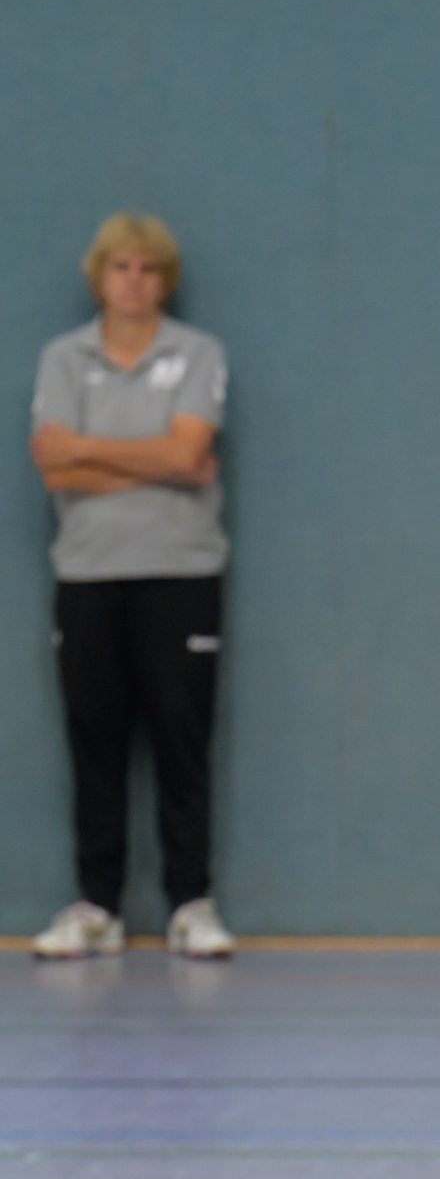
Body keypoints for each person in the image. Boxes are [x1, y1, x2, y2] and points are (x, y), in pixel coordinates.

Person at [31, 214, 234, 961]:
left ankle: (190, 905)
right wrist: (160, 464)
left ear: (165, 282)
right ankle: (98, 907)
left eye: (148, 270)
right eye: (121, 268)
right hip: (87, 573)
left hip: (181, 572)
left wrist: (88, 451)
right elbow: (53, 467)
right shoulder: (62, 358)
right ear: (100, 278)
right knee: (95, 740)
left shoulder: (199, 353)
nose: (134, 283)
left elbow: (188, 452)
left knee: (182, 739)